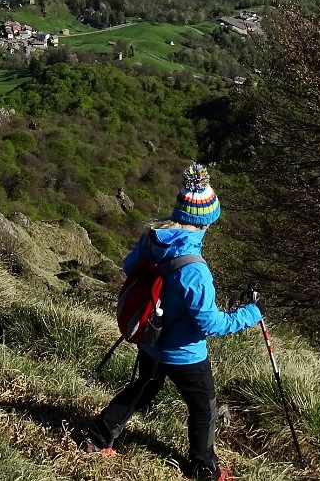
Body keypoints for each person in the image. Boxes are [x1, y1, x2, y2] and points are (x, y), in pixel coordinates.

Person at [85, 163, 263, 481]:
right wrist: (251, 313)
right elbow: (210, 324)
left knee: (144, 387)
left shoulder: (154, 239)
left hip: (151, 341)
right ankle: (203, 467)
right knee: (203, 407)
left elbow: (129, 267)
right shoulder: (195, 269)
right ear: (206, 220)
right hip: (185, 353)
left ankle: (97, 438)